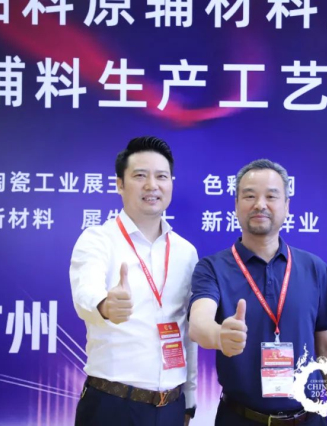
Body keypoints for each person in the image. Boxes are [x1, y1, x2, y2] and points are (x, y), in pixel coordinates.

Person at [189, 159, 327, 426]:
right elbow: (198, 324)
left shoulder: (314, 268)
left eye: (271, 196)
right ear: (236, 205)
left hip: (308, 418)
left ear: (287, 206)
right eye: (249, 196)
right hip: (239, 419)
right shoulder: (212, 267)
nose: (260, 204)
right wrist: (218, 335)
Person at [70, 136, 198, 426]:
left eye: (161, 176)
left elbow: (187, 331)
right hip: (112, 405)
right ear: (119, 184)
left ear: (171, 184)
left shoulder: (186, 252)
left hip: (171, 406)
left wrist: (189, 400)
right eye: (140, 176)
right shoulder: (98, 240)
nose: (152, 185)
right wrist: (105, 305)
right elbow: (85, 292)